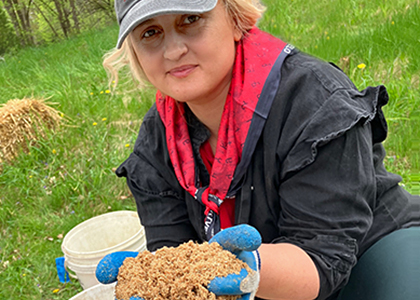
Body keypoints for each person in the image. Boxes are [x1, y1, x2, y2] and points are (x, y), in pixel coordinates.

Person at [96, 0, 420, 299]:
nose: (173, 50)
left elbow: (322, 258)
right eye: (150, 32)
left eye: (191, 20)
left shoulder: (313, 100)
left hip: (366, 255)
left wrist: (248, 265)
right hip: (261, 286)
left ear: (235, 19)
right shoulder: (155, 142)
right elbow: (173, 250)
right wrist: (161, 278)